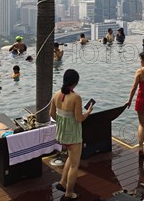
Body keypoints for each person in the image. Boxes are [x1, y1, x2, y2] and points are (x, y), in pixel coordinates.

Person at [49, 69, 93, 201]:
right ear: (75, 82)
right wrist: (89, 111)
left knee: (70, 157)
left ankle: (63, 182)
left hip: (61, 134)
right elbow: (79, 118)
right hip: (73, 135)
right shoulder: (76, 97)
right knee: (75, 165)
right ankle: (69, 192)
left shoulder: (56, 94)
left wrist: (63, 122)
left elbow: (52, 114)